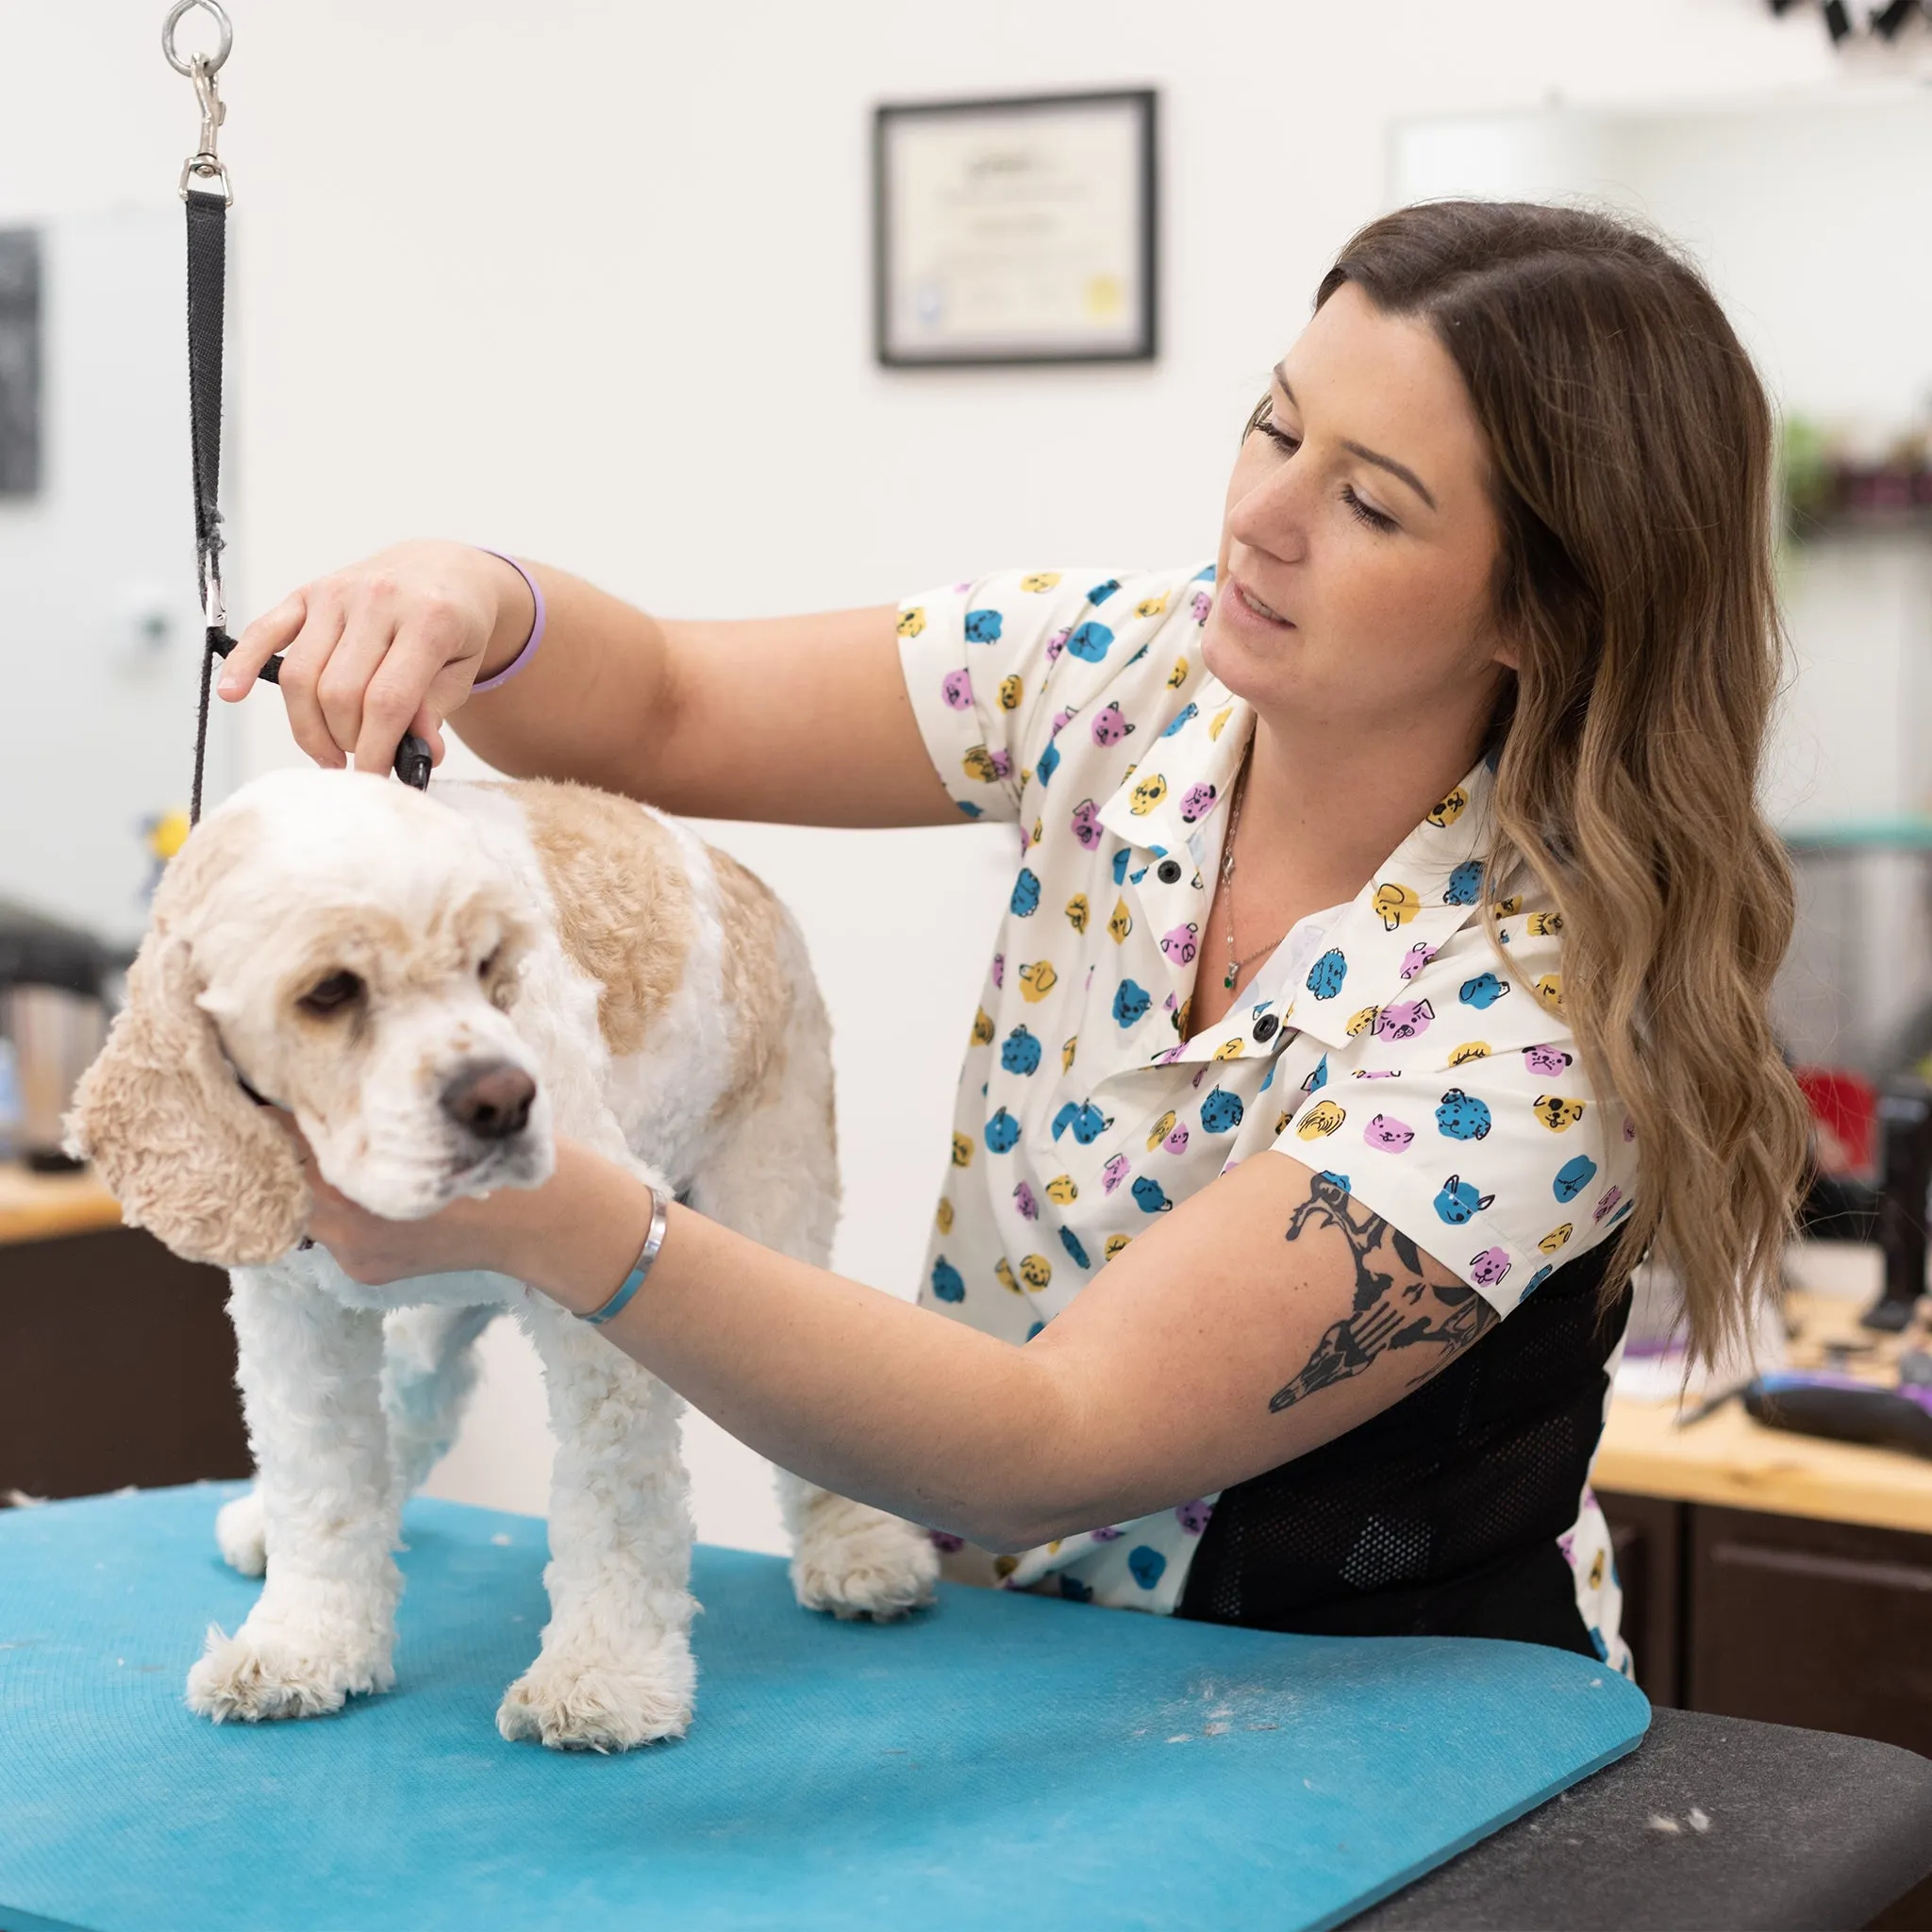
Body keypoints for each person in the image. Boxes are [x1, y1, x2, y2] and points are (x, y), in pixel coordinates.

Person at [215, 200, 1808, 1674]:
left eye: (1369, 503)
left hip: (1382, 1717)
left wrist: (554, 1220)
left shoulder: (1533, 1032)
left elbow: (1054, 1432)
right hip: (1021, 1655)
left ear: (1547, 614)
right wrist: (472, 598)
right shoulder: (1120, 673)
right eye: (1274, 423)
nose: (1259, 518)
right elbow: (670, 703)